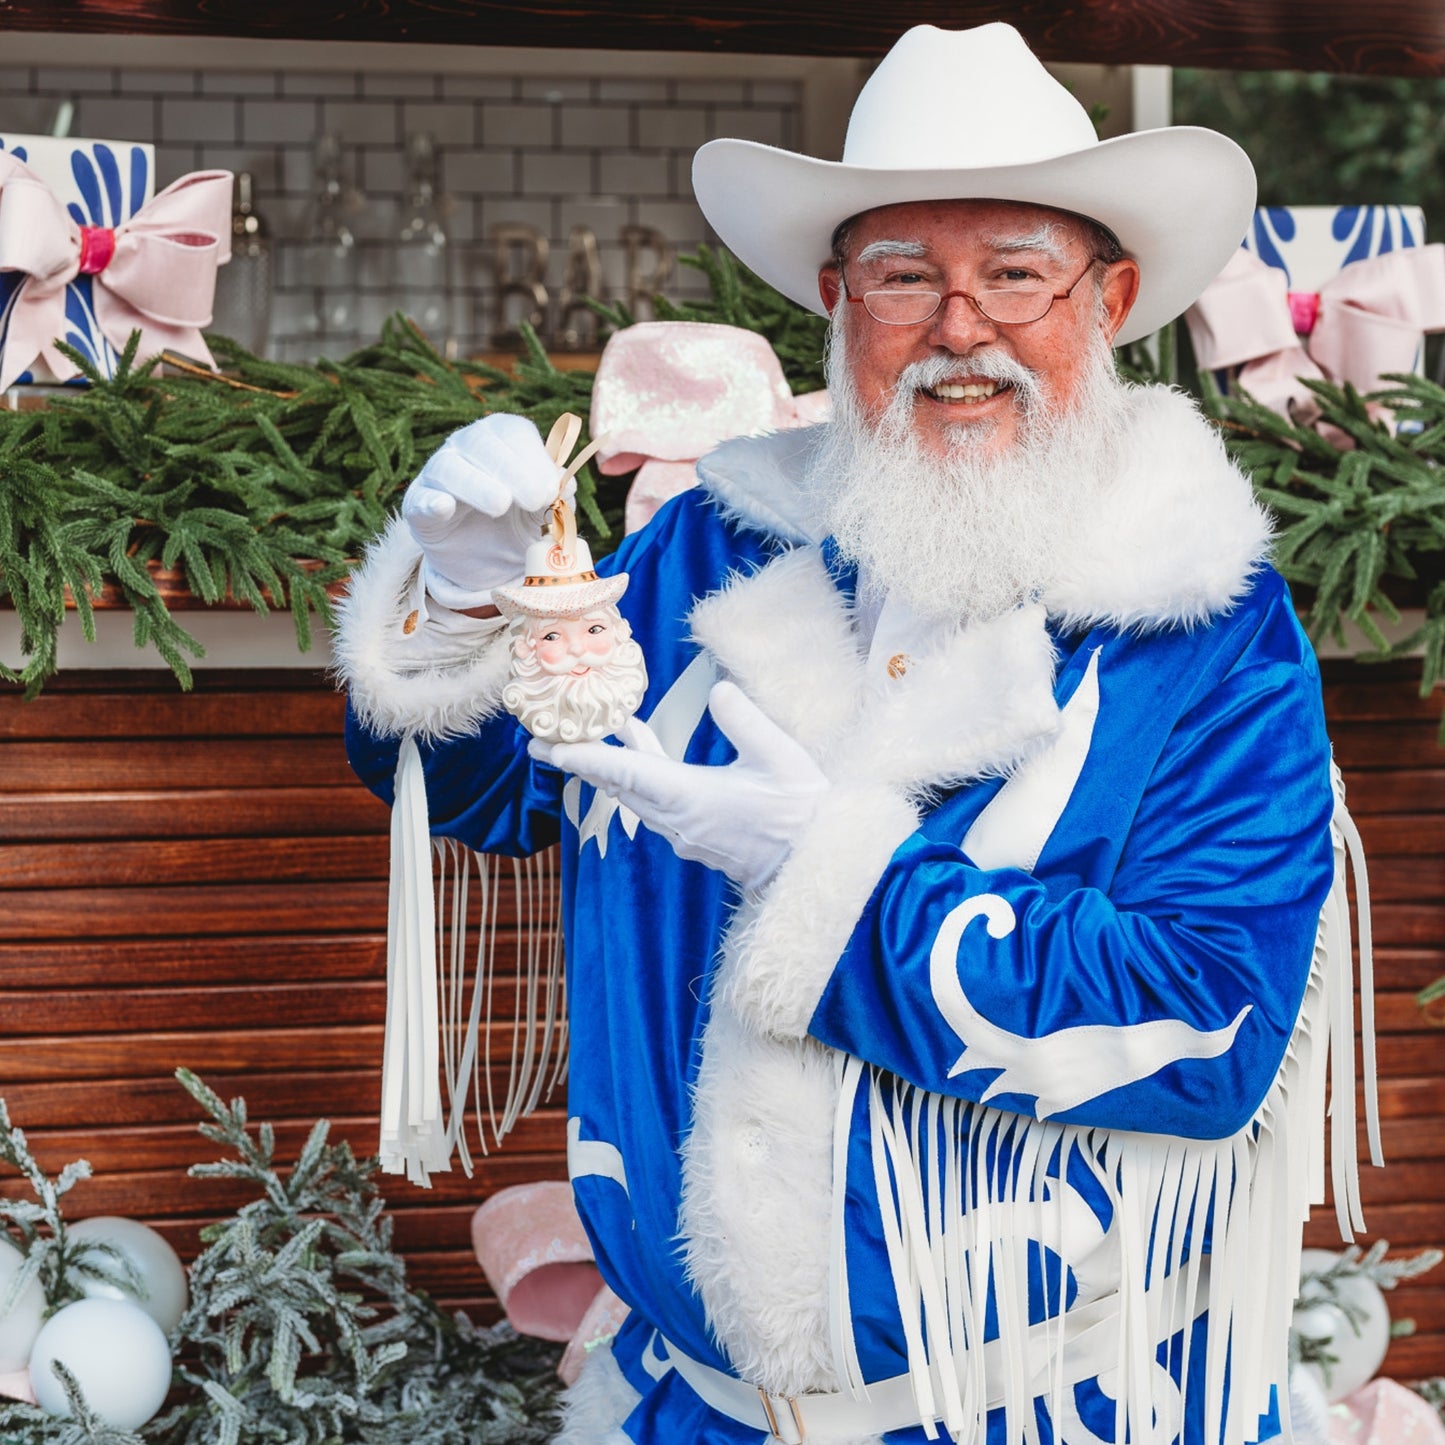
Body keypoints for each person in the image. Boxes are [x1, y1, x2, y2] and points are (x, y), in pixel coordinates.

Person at [336, 22, 1372, 1445]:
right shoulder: (702, 552)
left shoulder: (1205, 631)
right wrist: (455, 614)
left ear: (1107, 297)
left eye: (1013, 271)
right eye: (903, 277)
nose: (960, 329)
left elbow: (1210, 1027)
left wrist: (838, 884)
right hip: (694, 1416)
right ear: (837, 299)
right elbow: (495, 787)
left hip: (1068, 1414)